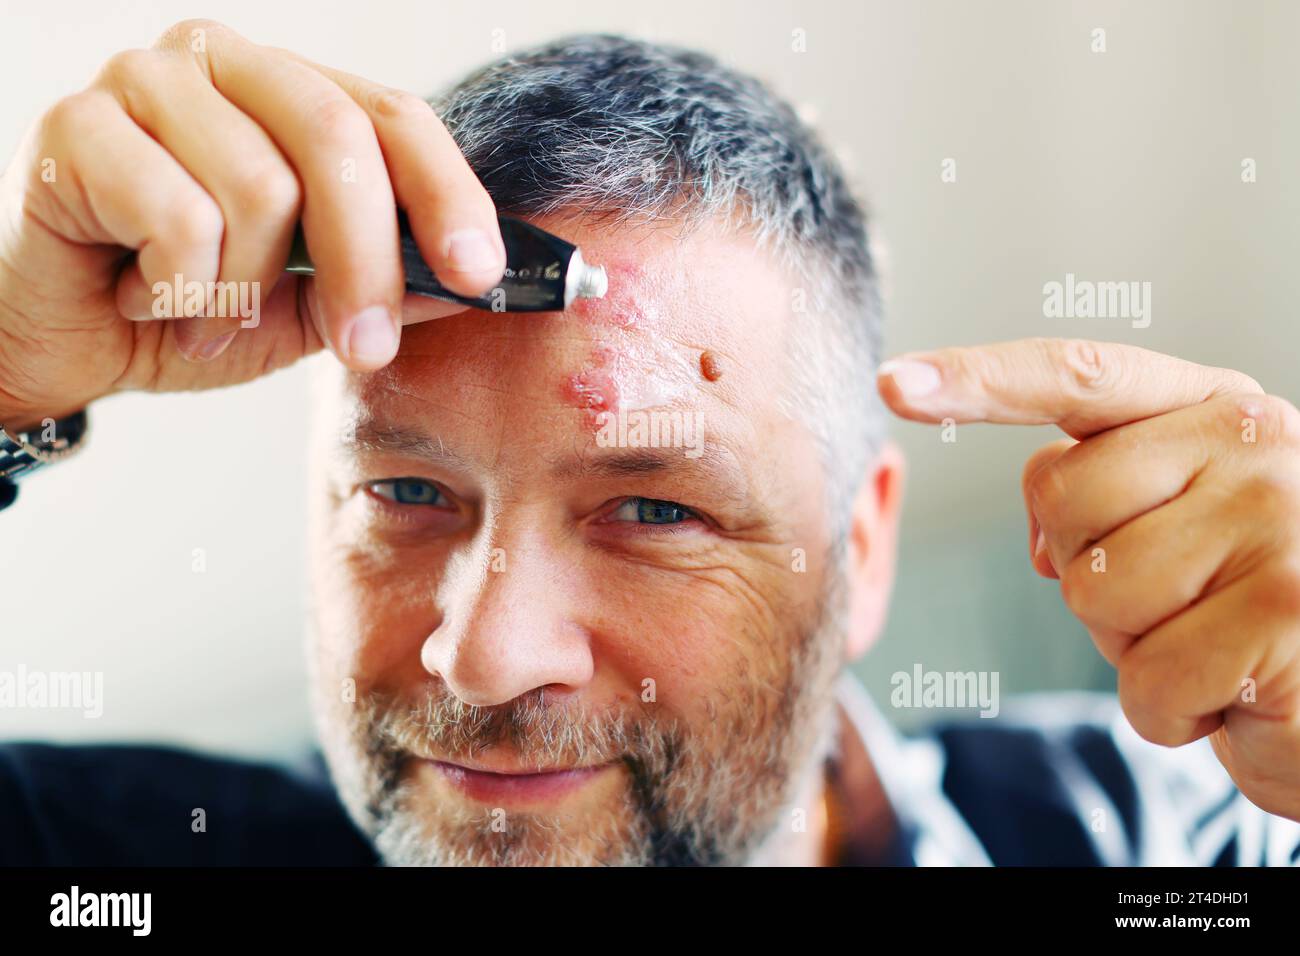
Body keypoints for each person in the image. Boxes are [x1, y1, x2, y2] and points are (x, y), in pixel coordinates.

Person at [2, 21, 1298, 866]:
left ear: (860, 544)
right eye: (405, 489)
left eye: (654, 510)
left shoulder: (1175, 851)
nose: (487, 656)